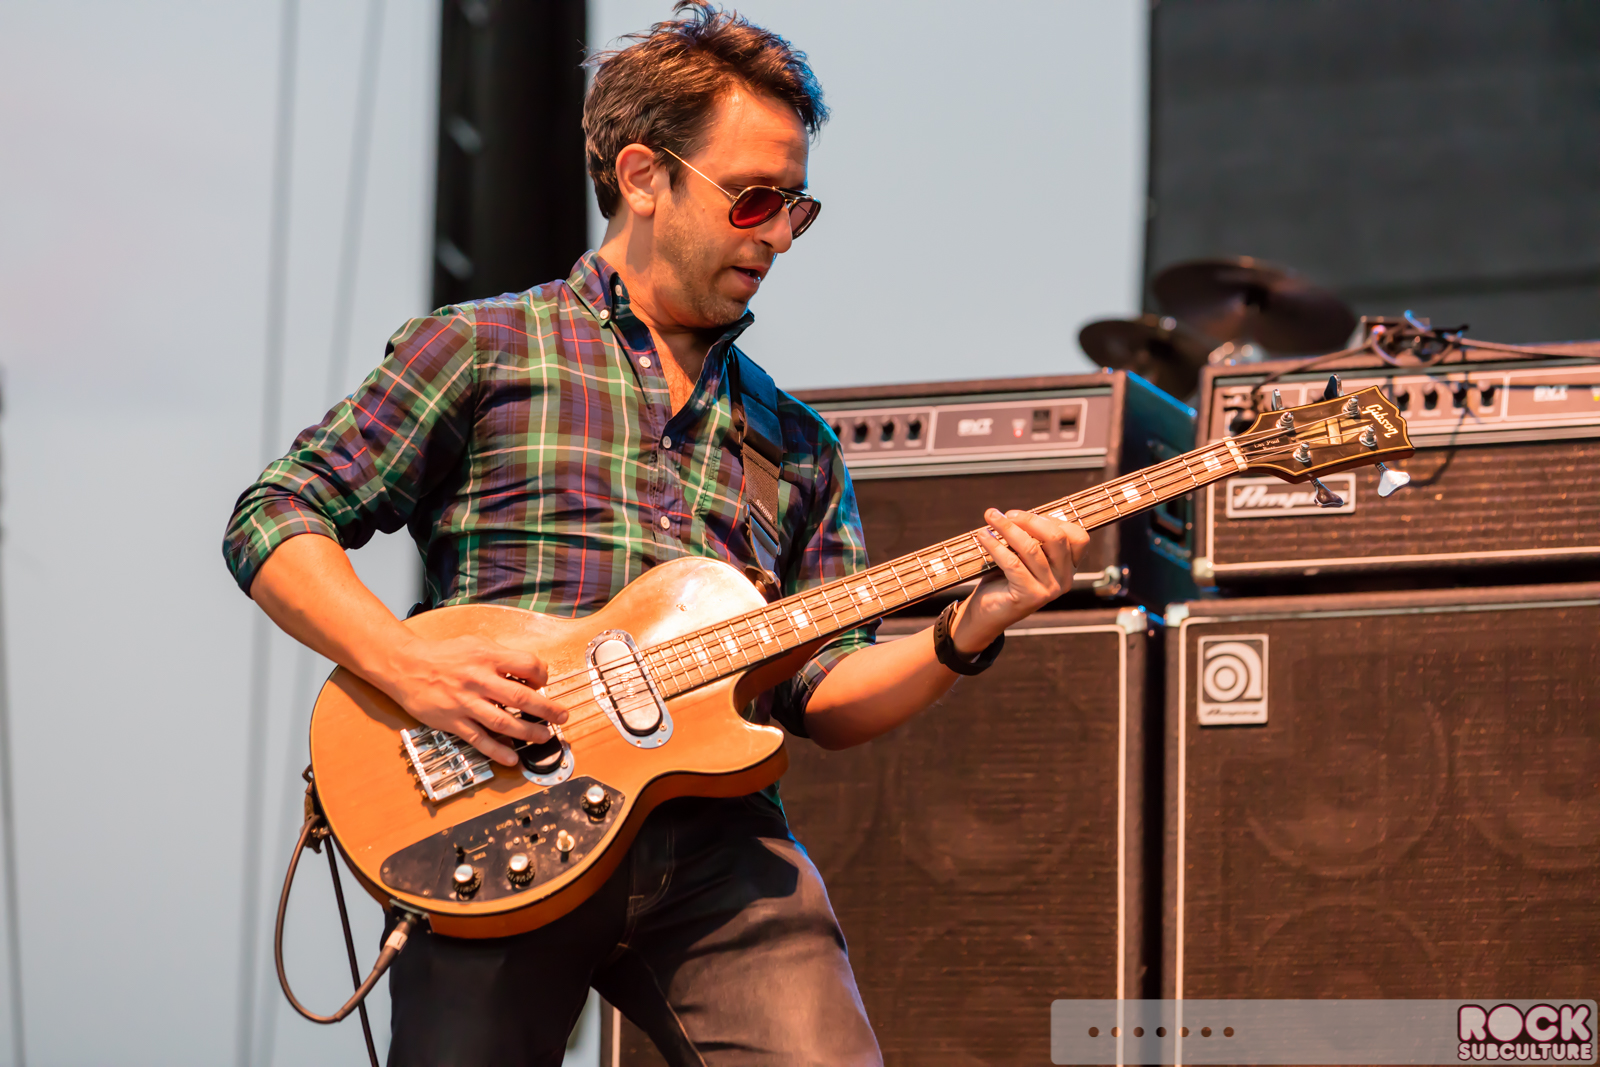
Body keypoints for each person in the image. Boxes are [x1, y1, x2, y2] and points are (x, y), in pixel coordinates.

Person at [223, 3, 1088, 1064]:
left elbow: (824, 692)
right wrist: (410, 667)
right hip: (489, 814)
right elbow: (276, 513)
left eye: (796, 207)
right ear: (643, 176)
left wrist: (968, 628)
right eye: (753, 199)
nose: (777, 234)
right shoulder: (486, 348)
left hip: (719, 853)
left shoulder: (797, 443)